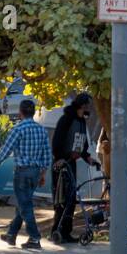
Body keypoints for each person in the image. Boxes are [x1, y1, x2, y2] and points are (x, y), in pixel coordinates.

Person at [0, 99, 49, 250]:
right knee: (23, 203)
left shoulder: (18, 129)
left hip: (22, 171)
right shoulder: (42, 130)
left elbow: (7, 149)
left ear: (20, 113)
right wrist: (42, 174)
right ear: (34, 112)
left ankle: (34, 238)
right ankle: (11, 235)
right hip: (35, 171)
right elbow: (47, 155)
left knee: (25, 205)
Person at [50, 92, 98, 244]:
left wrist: (88, 158)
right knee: (62, 200)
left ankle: (66, 232)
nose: (89, 109)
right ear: (82, 106)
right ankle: (56, 231)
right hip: (62, 164)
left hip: (72, 164)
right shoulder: (66, 119)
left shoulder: (82, 122)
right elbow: (57, 141)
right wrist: (59, 159)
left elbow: (81, 145)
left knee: (71, 199)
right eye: (87, 106)